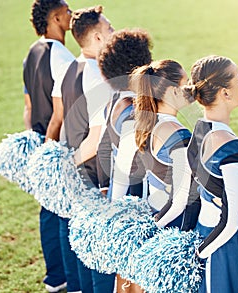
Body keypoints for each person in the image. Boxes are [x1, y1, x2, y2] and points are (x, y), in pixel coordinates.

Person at [185, 55, 238, 292]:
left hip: (209, 235)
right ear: (225, 93)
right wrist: (199, 255)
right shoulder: (232, 147)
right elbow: (231, 222)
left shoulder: (200, 131)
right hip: (229, 247)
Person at [59, 6, 115, 293]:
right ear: (95, 38)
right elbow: (95, 138)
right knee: (100, 259)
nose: (114, 34)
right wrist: (72, 168)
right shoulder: (96, 77)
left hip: (81, 174)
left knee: (84, 251)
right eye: (109, 30)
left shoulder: (73, 67)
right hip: (94, 178)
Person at [23, 0, 75, 291]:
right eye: (68, 12)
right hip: (58, 147)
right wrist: (51, 150)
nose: (72, 15)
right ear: (56, 18)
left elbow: (28, 107)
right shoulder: (63, 57)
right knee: (66, 214)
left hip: (40, 143)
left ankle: (55, 278)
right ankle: (70, 279)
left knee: (49, 212)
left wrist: (35, 144)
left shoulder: (30, 53)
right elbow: (62, 112)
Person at [95, 29, 152, 293]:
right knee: (135, 277)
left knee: (127, 275)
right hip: (133, 197)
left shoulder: (114, 101)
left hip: (123, 196)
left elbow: (105, 148)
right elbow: (124, 166)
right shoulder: (131, 112)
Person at [125, 60, 200, 231]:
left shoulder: (149, 123)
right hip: (173, 225)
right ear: (174, 91)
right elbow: (180, 201)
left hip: (157, 212)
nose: (190, 89)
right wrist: (151, 230)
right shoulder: (178, 135)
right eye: (186, 83)